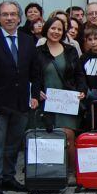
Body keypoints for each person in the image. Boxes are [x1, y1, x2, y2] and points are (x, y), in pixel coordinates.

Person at [0, 0, 42, 194]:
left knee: (13, 144)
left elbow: (35, 72)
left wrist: (35, 95)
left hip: (21, 103)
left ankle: (8, 177)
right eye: (5, 14)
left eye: (13, 14)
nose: (10, 18)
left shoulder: (28, 40)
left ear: (20, 18)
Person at [36, 17, 87, 164]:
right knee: (49, 136)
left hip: (66, 100)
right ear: (46, 29)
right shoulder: (38, 52)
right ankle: (52, 170)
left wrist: (82, 89)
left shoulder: (70, 50)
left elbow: (79, 74)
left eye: (59, 29)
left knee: (68, 134)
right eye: (53, 28)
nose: (56, 32)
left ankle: (72, 172)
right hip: (46, 101)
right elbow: (33, 76)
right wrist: (37, 91)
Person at [80, 25, 97, 101]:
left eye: (96, 38)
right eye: (90, 39)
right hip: (89, 93)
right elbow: (81, 76)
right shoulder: (83, 58)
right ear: (86, 40)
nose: (93, 42)